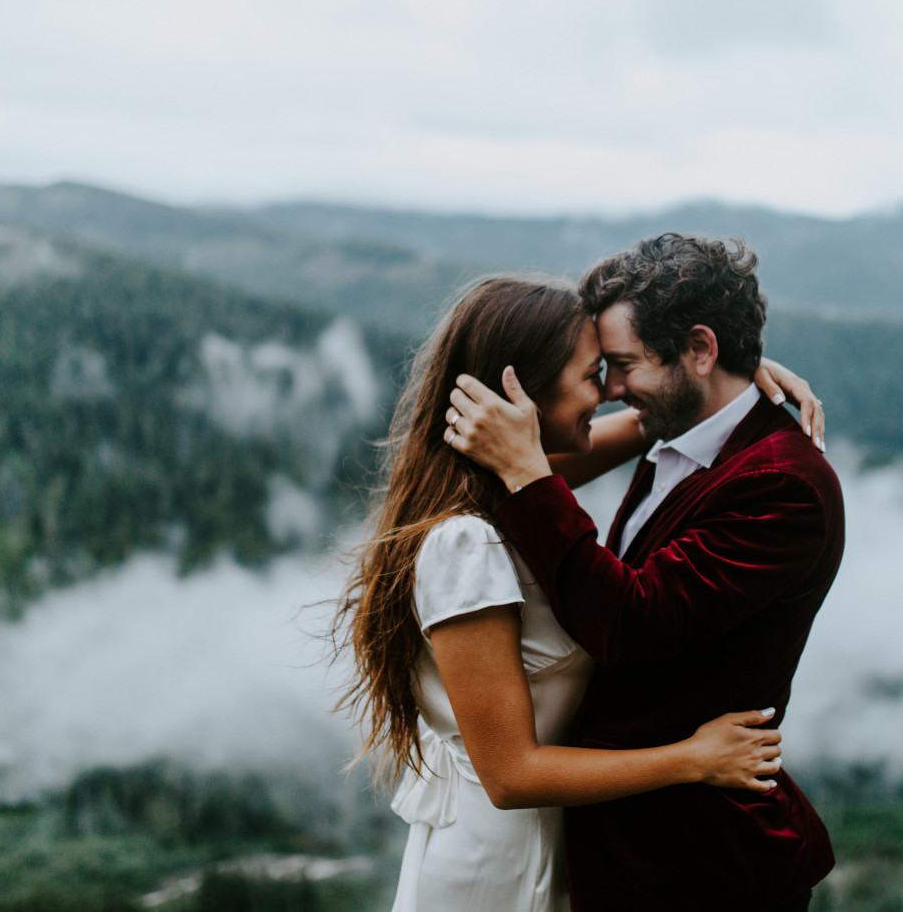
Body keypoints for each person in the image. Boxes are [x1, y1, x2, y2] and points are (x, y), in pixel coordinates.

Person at [332, 275, 825, 912]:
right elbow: (510, 777)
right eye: (598, 373)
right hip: (499, 866)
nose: (612, 391)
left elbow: (579, 459)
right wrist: (693, 758)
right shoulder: (467, 545)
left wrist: (717, 385)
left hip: (553, 844)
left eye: (616, 369)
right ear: (526, 391)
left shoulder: (504, 490)